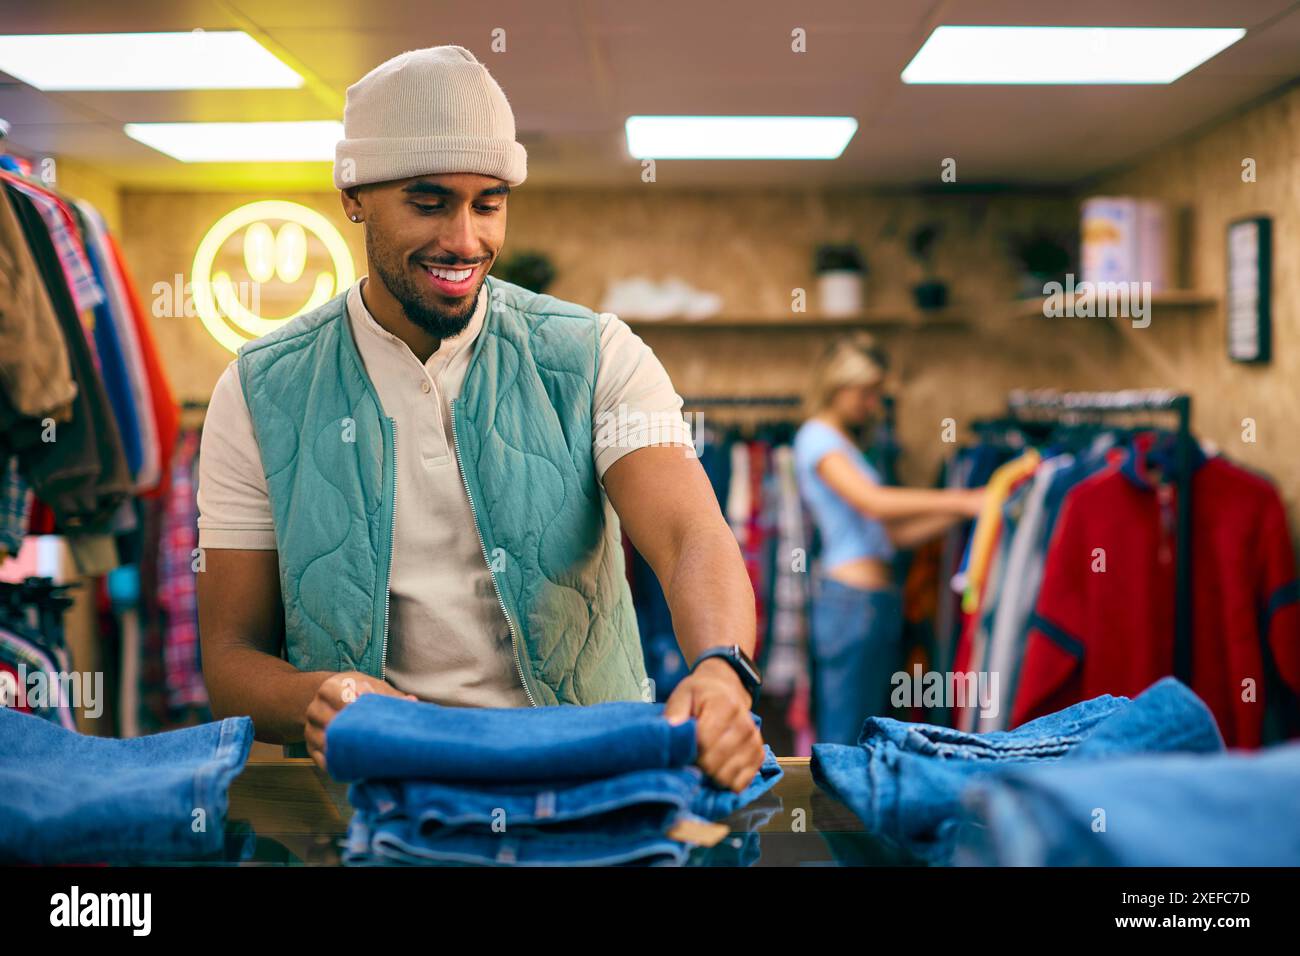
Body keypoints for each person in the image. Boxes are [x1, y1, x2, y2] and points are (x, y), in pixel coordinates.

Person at [195, 45, 764, 792]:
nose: (465, 240)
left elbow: (692, 535)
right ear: (354, 196)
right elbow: (231, 656)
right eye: (429, 203)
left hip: (587, 784)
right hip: (377, 797)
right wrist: (316, 699)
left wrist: (722, 671)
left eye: (488, 203)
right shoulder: (259, 389)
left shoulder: (596, 355)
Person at [793, 334, 984, 744]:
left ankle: (847, 811)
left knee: (865, 737)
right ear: (838, 387)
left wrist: (961, 513)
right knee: (844, 738)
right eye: (866, 393)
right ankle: (828, 812)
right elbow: (874, 504)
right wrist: (962, 499)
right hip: (850, 602)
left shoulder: (845, 444)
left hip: (872, 603)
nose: (872, 404)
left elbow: (893, 535)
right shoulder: (817, 438)